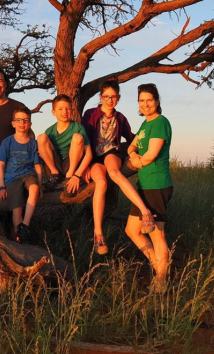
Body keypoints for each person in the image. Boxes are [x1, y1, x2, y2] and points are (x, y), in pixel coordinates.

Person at [82, 78, 156, 255]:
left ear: (118, 98)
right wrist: (83, 166)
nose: (110, 100)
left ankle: (145, 213)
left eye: (113, 97)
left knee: (114, 172)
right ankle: (99, 235)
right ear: (100, 97)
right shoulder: (90, 114)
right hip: (93, 158)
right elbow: (84, 141)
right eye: (106, 96)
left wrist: (140, 150)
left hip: (112, 153)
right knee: (100, 183)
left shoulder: (120, 117)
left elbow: (132, 138)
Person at [125, 83, 173, 293]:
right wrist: (134, 155)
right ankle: (159, 266)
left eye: (149, 100)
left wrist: (135, 161)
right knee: (131, 230)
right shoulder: (145, 124)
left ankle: (161, 280)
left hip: (157, 185)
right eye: (141, 101)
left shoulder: (161, 123)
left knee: (157, 235)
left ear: (157, 101)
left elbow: (151, 155)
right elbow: (132, 146)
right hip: (144, 185)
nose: (145, 104)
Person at [0, 107, 43, 243]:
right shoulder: (7, 142)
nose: (22, 123)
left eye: (25, 120)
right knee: (17, 211)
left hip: (28, 175)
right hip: (12, 178)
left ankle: (25, 226)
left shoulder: (33, 143)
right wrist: (1, 187)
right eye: (19, 120)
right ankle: (20, 240)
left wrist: (41, 186)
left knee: (34, 188)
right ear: (13, 123)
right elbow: (1, 165)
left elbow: (37, 166)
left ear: (30, 124)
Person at [37, 94, 92, 197]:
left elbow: (89, 154)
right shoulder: (50, 131)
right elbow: (44, 156)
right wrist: (49, 175)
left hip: (72, 165)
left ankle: (69, 176)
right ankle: (54, 176)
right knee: (41, 138)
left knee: (77, 137)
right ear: (53, 112)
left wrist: (78, 174)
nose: (64, 112)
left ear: (72, 110)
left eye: (68, 109)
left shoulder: (78, 127)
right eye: (60, 109)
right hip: (55, 166)